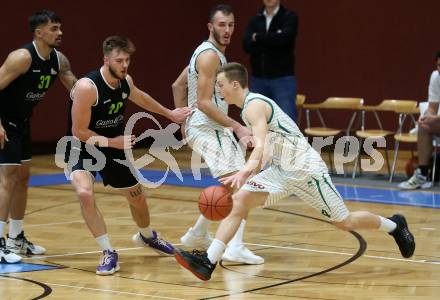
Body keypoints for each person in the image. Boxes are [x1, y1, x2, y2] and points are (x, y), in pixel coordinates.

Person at [174, 62, 416, 281]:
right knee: (238, 202)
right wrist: (251, 173)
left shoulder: (254, 106)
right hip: (281, 171)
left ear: (235, 84)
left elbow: (259, 144)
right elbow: (265, 148)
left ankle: (394, 225)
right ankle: (209, 261)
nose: (218, 90)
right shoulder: (249, 108)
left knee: (345, 222)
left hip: (306, 172)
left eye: (221, 85)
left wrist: (245, 170)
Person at [65, 36, 190, 275]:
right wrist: (114, 142)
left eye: (127, 60)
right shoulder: (87, 87)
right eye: (119, 60)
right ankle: (108, 251)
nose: (124, 65)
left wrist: (169, 114)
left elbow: (139, 96)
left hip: (114, 145)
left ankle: (147, 236)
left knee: (137, 198)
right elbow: (78, 131)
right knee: (84, 193)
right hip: (82, 144)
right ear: (105, 59)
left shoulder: (125, 81)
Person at [172, 4, 264, 264]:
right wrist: (237, 126)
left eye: (231, 25)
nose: (227, 30)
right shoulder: (209, 56)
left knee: (239, 178)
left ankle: (197, 234)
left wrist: (182, 123)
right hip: (206, 127)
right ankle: (235, 246)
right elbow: (203, 101)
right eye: (222, 25)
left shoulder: (207, 53)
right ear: (210, 27)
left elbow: (178, 85)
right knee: (243, 182)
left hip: (208, 126)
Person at [0, 10, 77, 263]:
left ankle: (15, 238)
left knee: (22, 178)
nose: (60, 32)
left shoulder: (58, 60)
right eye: (54, 28)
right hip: (4, 121)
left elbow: (78, 90)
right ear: (39, 32)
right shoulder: (22, 58)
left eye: (60, 27)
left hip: (22, 122)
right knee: (8, 178)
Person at [242, 0, 298, 121]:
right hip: (258, 80)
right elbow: (246, 45)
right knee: (256, 121)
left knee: (287, 121)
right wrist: (273, 39)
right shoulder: (255, 19)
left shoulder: (289, 17)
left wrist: (258, 37)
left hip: (282, 80)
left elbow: (284, 40)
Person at [399, 51, 440, 189]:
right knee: (423, 126)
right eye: (439, 65)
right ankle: (422, 175)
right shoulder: (436, 77)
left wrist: (434, 118)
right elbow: (432, 107)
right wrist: (426, 115)